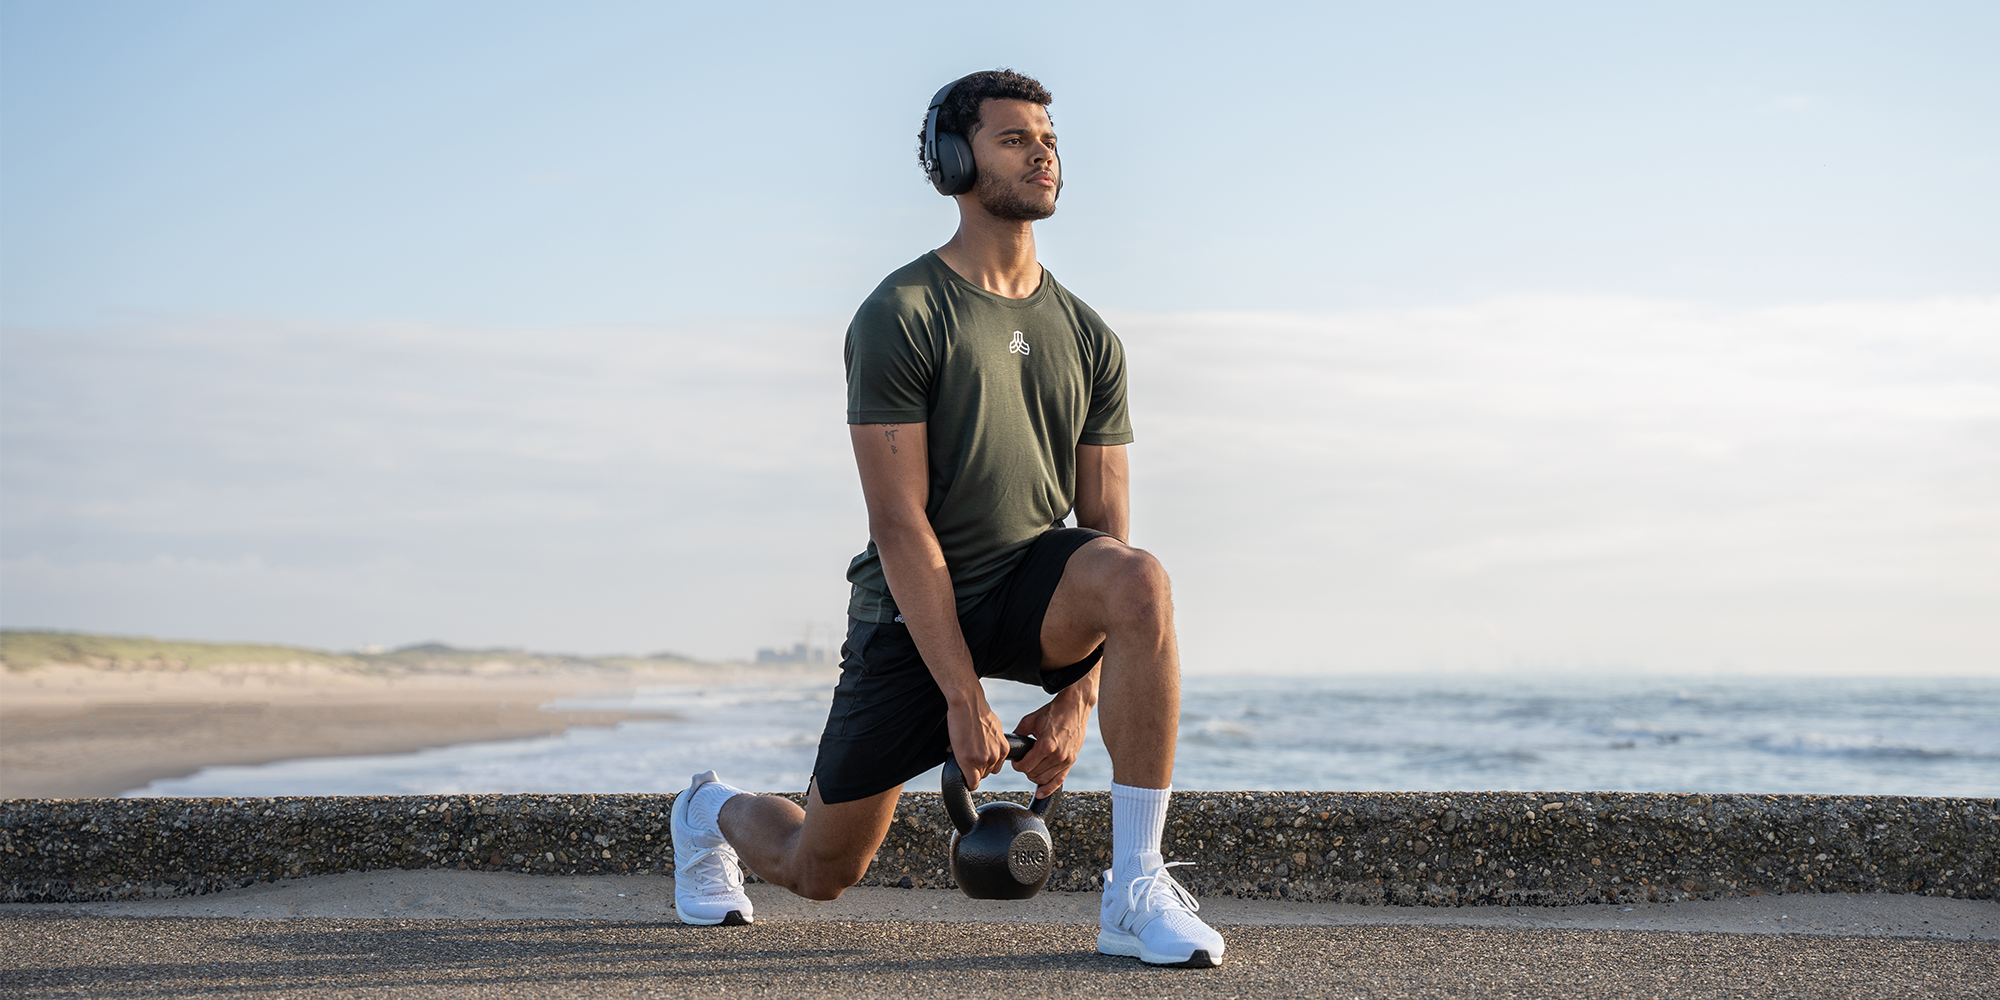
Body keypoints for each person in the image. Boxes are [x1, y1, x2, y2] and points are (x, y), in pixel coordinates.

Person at [669, 68, 1225, 969]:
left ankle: (1136, 888)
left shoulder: (1090, 337)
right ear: (955, 159)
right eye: (1014, 138)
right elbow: (899, 526)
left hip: (1028, 591)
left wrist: (1077, 699)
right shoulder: (903, 313)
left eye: (1048, 138)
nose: (1041, 151)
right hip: (913, 608)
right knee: (820, 867)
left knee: (1141, 578)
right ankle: (706, 811)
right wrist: (964, 698)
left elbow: (1106, 546)